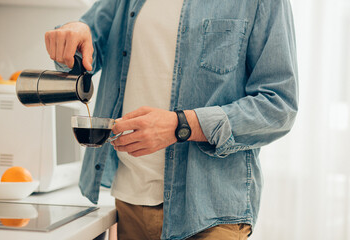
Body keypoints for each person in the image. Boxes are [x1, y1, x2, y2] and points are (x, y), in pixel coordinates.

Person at [45, 0, 298, 239]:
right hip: (130, 204)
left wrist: (181, 125)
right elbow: (85, 54)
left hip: (210, 213)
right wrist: (71, 36)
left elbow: (278, 105)